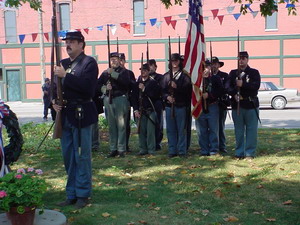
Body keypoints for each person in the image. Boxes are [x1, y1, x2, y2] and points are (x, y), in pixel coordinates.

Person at [53, 30, 99, 209]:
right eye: (66, 42)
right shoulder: (62, 63)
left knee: (82, 156)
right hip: (65, 115)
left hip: (82, 114)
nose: (68, 45)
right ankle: (71, 193)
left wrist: (66, 76)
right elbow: (53, 87)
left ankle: (83, 193)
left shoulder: (89, 63)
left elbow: (88, 89)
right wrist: (53, 103)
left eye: (72, 41)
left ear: (81, 44)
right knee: (68, 157)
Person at [226, 51, 261, 159]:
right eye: (239, 58)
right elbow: (227, 87)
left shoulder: (254, 72)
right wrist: (233, 94)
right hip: (238, 105)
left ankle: (250, 153)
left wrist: (243, 84)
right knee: (239, 131)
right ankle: (239, 152)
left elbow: (256, 86)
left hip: (250, 104)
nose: (241, 60)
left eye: (243, 58)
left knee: (251, 130)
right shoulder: (232, 73)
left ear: (247, 59)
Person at [98, 52, 131, 158]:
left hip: (120, 99)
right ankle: (113, 148)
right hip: (109, 99)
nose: (114, 61)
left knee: (121, 125)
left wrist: (114, 74)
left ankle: (121, 148)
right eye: (112, 59)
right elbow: (97, 85)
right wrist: (105, 88)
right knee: (112, 126)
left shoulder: (124, 72)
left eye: (116, 59)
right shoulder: (105, 73)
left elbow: (126, 84)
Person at [162, 53, 192, 158]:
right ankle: (172, 150)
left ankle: (182, 150)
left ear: (179, 62)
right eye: (172, 61)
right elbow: (162, 91)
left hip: (180, 106)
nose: (174, 62)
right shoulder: (166, 76)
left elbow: (188, 92)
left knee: (181, 129)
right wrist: (167, 97)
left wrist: (177, 87)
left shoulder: (185, 76)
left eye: (176, 60)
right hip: (169, 106)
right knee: (170, 130)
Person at [195, 60, 223, 156]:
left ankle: (214, 149)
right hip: (200, 107)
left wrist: (210, 95)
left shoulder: (215, 78)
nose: (205, 69)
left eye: (207, 67)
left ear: (210, 67)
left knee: (213, 129)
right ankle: (204, 149)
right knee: (201, 130)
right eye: (203, 67)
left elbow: (220, 91)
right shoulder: (197, 80)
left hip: (212, 106)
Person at [132, 63, 161, 155]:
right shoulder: (137, 84)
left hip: (150, 110)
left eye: (145, 70)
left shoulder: (153, 83)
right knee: (141, 131)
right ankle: (143, 149)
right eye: (142, 70)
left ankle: (151, 149)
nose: (143, 72)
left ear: (148, 71)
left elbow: (155, 96)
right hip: (140, 110)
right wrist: (135, 109)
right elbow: (133, 98)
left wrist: (144, 89)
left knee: (150, 131)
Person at [211, 57, 230, 153]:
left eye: (215, 63)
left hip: (220, 104)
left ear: (219, 65)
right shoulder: (207, 76)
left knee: (220, 126)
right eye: (212, 63)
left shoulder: (224, 75)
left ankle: (222, 146)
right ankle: (212, 145)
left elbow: (226, 88)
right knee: (211, 127)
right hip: (210, 104)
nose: (213, 65)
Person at [119, 53, 136, 153]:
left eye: (122, 60)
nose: (120, 62)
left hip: (126, 100)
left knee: (125, 124)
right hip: (114, 101)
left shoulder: (129, 73)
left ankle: (125, 144)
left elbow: (133, 87)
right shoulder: (110, 72)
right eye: (119, 60)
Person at [148, 59, 164, 151]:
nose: (150, 68)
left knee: (158, 123)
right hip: (147, 103)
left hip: (156, 102)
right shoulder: (142, 77)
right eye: (148, 66)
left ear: (155, 66)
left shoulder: (159, 77)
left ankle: (157, 142)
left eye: (151, 65)